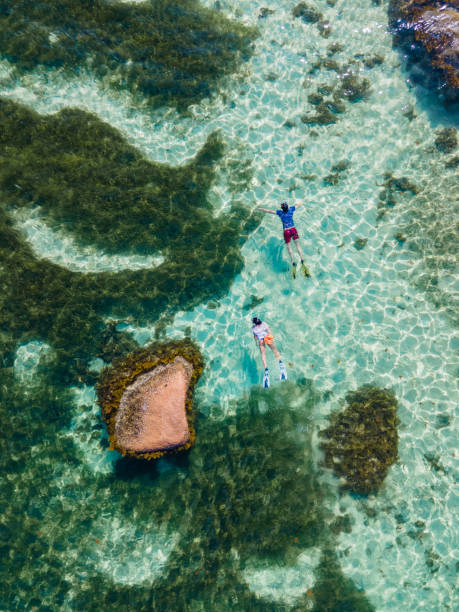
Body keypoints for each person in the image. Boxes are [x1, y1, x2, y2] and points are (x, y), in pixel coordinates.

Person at [257, 201, 310, 278]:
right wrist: (303, 201)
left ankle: (293, 262)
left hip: (286, 231)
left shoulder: (280, 213)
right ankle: (302, 260)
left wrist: (260, 208)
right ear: (287, 207)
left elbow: (269, 211)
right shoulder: (291, 209)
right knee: (298, 246)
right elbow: (298, 205)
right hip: (293, 229)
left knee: (289, 247)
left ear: (282, 208)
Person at [252, 316, 287, 388]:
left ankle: (266, 369)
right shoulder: (264, 324)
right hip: (267, 337)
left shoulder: (254, 328)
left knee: (263, 354)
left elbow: (255, 337)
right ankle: (280, 362)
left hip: (261, 340)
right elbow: (269, 331)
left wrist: (256, 342)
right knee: (274, 349)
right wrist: (270, 338)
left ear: (254, 323)